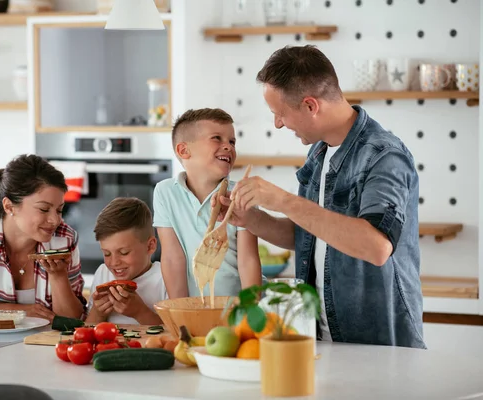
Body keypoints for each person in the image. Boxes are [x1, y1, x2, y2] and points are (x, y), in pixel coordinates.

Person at [213, 45, 425, 349]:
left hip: (378, 343)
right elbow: (311, 235)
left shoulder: (384, 155)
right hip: (322, 338)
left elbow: (376, 246)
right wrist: (254, 220)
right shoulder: (320, 151)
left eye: (280, 114)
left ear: (311, 106)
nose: (278, 124)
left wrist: (284, 200)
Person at [0, 154, 87, 320]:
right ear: (9, 206)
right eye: (44, 209)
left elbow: (73, 320)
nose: (55, 220)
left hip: (43, 345)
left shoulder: (64, 239)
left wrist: (58, 276)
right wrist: (19, 311)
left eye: (59, 210)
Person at [153, 108, 264, 299]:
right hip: (193, 307)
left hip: (236, 308)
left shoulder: (242, 193)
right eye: (216, 138)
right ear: (184, 150)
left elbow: (248, 260)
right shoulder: (165, 193)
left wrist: (249, 310)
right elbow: (172, 258)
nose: (228, 146)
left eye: (232, 141)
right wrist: (181, 311)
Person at [86, 197, 166, 325]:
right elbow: (88, 329)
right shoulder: (103, 273)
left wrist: (140, 312)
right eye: (106, 254)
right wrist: (98, 312)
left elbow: (174, 333)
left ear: (150, 246)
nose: (114, 262)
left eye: (124, 253)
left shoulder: (165, 277)